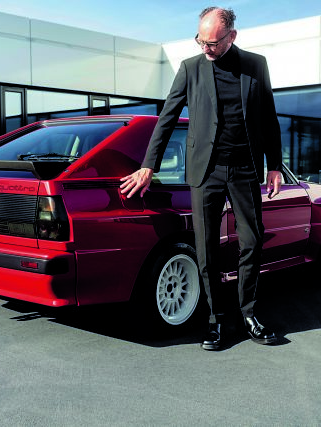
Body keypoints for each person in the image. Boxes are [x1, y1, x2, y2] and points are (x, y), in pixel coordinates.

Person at [120, 6, 283, 350]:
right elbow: (167, 118)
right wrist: (149, 165)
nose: (205, 48)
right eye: (200, 41)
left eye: (212, 43)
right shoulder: (190, 68)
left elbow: (269, 117)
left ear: (231, 36)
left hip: (245, 168)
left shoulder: (256, 65)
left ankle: (249, 315)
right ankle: (216, 320)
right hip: (205, 170)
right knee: (207, 248)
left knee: (252, 241)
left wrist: (274, 165)